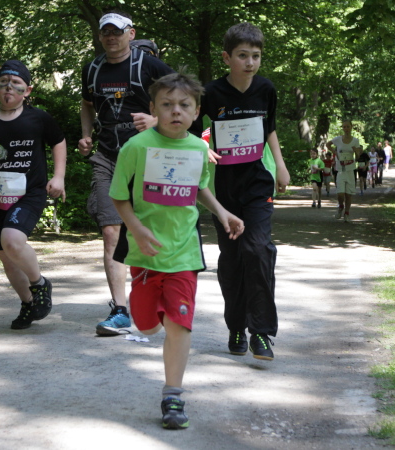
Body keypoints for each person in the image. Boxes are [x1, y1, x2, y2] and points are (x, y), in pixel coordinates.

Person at [110, 71, 244, 429]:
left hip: (184, 253)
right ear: (153, 109)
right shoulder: (136, 147)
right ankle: (149, 315)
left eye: (184, 105)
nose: (176, 111)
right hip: (146, 254)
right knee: (147, 326)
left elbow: (199, 188)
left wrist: (222, 212)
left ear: (197, 111)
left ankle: (173, 395)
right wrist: (137, 230)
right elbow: (119, 196)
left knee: (179, 324)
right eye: (167, 105)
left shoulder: (199, 148)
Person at [192, 22, 290, 361]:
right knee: (232, 258)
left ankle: (261, 332)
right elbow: (191, 130)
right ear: (226, 58)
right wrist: (202, 146)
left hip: (258, 181)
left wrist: (280, 165)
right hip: (224, 186)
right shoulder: (211, 92)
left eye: (256, 56)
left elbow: (269, 128)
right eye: (243, 56)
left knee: (258, 249)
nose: (250, 62)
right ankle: (236, 325)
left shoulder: (266, 89)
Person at [79, 10, 174, 336]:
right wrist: (86, 134)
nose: (111, 37)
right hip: (107, 158)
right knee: (111, 231)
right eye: (105, 32)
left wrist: (157, 121)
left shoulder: (151, 66)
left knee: (153, 230)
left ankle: (159, 294)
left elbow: (184, 100)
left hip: (148, 158)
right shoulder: (92, 69)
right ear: (100, 36)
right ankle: (120, 310)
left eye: (117, 32)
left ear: (130, 34)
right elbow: (87, 104)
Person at [0, 60, 67, 329]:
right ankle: (29, 304)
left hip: (31, 193)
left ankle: (40, 284)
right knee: (6, 257)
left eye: (16, 83)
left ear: (27, 91)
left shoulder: (38, 118)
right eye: (3, 82)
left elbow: (58, 141)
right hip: (0, 196)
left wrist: (59, 177)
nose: (9, 87)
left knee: (12, 240)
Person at [326, 120, 362, 222]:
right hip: (340, 169)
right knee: (340, 193)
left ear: (351, 127)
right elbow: (328, 144)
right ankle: (341, 206)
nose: (346, 129)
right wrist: (334, 152)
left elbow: (358, 157)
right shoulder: (338, 139)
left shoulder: (355, 141)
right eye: (344, 127)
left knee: (348, 194)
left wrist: (356, 152)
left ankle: (347, 213)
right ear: (342, 128)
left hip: (350, 170)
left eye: (348, 127)